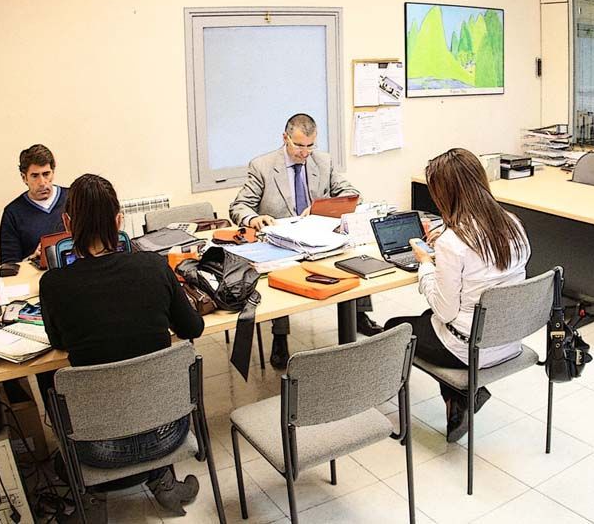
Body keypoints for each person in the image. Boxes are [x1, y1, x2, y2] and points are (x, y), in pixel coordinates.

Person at [39, 174, 204, 521]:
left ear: (67, 224)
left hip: (96, 448)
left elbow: (60, 343)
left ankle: (90, 497)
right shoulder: (154, 267)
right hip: (168, 434)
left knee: (50, 382)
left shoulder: (54, 285)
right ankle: (163, 481)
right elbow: (193, 328)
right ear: (119, 221)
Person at [384, 148, 531, 443]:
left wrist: (426, 265)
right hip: (509, 339)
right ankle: (459, 402)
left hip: (471, 347)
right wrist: (445, 246)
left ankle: (450, 399)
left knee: (393, 329)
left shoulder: (454, 242)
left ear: (446, 194)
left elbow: (445, 311)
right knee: (427, 322)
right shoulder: (512, 223)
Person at [229, 113, 383, 369]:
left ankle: (359, 315)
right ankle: (280, 337)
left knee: (352, 256)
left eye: (310, 146)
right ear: (285, 138)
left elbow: (351, 194)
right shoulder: (262, 166)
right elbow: (239, 207)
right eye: (299, 146)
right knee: (284, 273)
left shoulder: (323, 161)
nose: (305, 152)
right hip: (280, 241)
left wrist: (322, 207)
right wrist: (255, 218)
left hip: (317, 236)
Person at [0, 144, 67, 264]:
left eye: (46, 174)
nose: (42, 182)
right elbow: (8, 264)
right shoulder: (13, 213)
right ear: (24, 178)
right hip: (35, 277)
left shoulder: (74, 198)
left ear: (53, 173)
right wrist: (32, 259)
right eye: (35, 176)